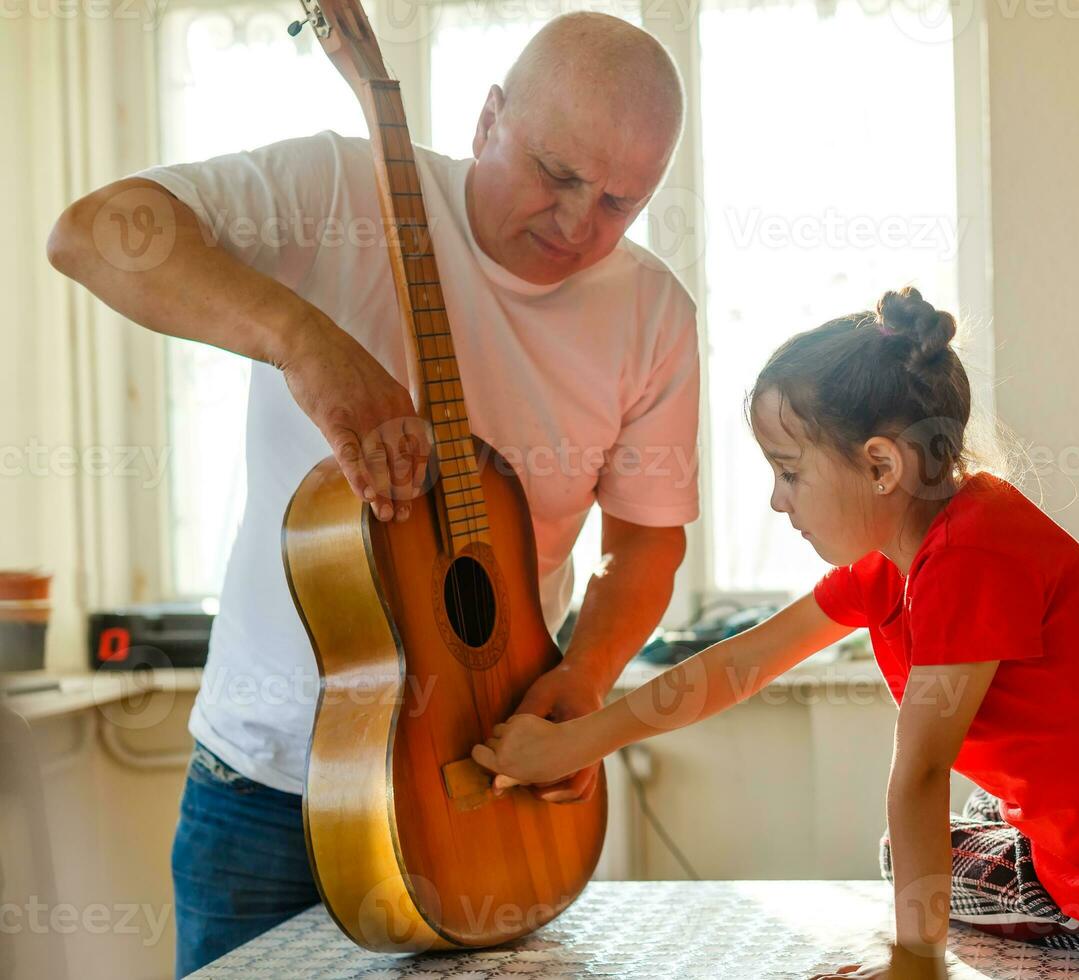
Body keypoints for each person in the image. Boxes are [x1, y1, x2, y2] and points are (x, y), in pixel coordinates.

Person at [45, 13, 697, 976]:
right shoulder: (337, 187)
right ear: (488, 120)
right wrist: (299, 339)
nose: (576, 223)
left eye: (618, 203)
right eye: (558, 175)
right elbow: (89, 234)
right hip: (267, 793)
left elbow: (645, 543)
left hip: (483, 785)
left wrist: (585, 681)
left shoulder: (653, 314)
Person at [473, 287, 1079, 976]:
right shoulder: (917, 546)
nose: (780, 503)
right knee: (961, 826)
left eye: (789, 471)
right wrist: (577, 743)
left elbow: (920, 776)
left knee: (902, 853)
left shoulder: (967, 563)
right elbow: (737, 666)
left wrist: (915, 964)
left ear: (881, 467)